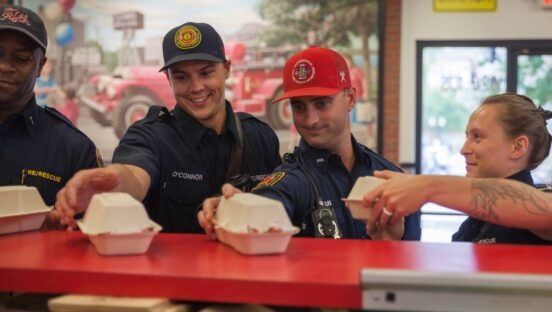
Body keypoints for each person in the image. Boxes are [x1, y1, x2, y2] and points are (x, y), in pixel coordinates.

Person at [55, 22, 281, 233]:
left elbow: (281, 201)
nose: (196, 87)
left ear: (227, 69)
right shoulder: (149, 136)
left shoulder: (260, 136)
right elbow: (134, 174)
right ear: (168, 79)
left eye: (206, 72)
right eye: (182, 77)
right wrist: (113, 184)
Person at [199, 46, 421, 240]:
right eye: (298, 106)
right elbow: (270, 200)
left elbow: (411, 265)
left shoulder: (390, 175)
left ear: (350, 99)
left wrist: (390, 245)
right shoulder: (293, 179)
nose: (310, 120)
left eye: (322, 103)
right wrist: (236, 208)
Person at [364, 93, 552, 244]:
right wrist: (391, 244)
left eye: (477, 137)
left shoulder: (542, 202)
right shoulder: (470, 227)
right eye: (466, 136)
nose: (464, 149)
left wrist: (427, 187)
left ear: (518, 147)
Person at [0, 5, 100, 208]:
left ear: (40, 66)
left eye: (21, 59)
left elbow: (93, 234)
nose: (4, 66)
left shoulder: (75, 149)